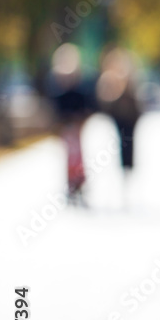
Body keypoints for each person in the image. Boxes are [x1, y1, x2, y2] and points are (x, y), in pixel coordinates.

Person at [49, 43, 95, 207]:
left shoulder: (79, 85)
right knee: (69, 158)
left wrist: (80, 121)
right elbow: (55, 108)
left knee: (78, 158)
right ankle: (71, 186)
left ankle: (79, 185)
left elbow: (86, 105)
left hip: (76, 127)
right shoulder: (57, 85)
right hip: (66, 127)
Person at [97, 46, 144, 205]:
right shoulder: (109, 78)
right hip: (118, 118)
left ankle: (127, 174)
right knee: (118, 147)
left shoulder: (129, 79)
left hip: (130, 119)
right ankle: (121, 176)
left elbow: (136, 101)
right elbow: (105, 100)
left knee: (129, 147)